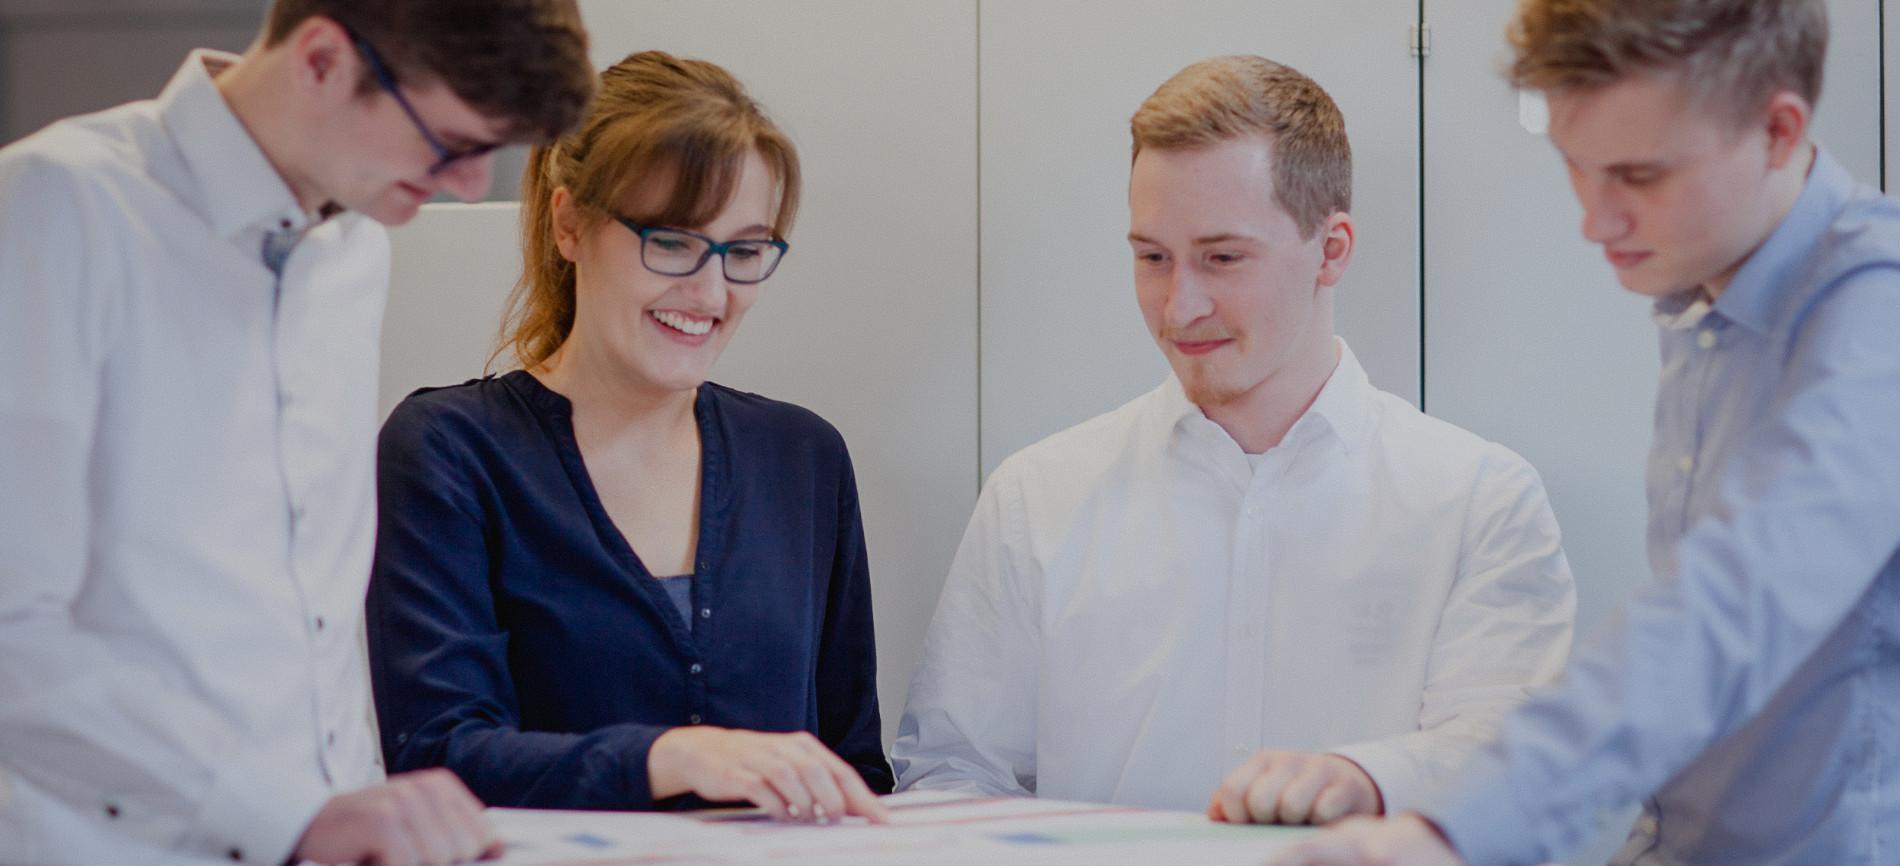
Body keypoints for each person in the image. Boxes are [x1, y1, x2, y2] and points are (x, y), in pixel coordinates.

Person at [1270, 2, 1900, 865]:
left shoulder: (1877, 318)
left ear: (1778, 130)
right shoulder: (1703, 301)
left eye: (1640, 177)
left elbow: (1727, 607)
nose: (1594, 222)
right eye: (1577, 167)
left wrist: (1452, 830)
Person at [891, 55, 1576, 827]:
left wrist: (1363, 778)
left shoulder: (1479, 500)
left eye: (1223, 258)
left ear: (1333, 248)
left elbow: (1512, 764)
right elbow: (952, 777)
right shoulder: (1036, 496)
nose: (1179, 306)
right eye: (1152, 257)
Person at [0, 1, 594, 864]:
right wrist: (284, 812)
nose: (471, 187)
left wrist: (350, 813)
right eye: (455, 144)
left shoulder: (354, 249)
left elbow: (309, 616)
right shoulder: (56, 206)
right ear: (321, 59)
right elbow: (12, 630)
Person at [368, 50, 892, 826]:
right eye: (673, 242)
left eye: (744, 252)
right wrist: (673, 757)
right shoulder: (448, 450)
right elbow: (440, 753)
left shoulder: (803, 458)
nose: (712, 293)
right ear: (568, 223)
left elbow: (854, 770)